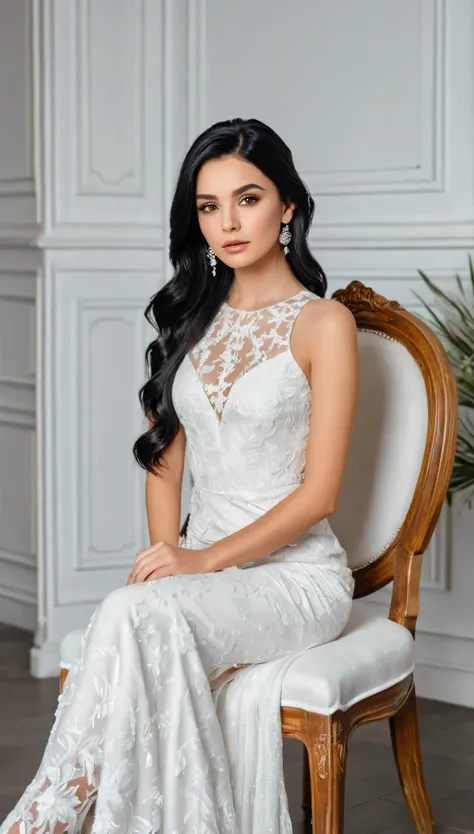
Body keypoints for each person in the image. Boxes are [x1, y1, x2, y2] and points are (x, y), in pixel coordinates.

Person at [1, 117, 358, 834]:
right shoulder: (190, 319)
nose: (227, 223)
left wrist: (200, 560)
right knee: (139, 609)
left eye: (248, 199)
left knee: (129, 614)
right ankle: (55, 816)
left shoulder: (325, 324)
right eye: (208, 206)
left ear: (287, 206)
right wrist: (175, 565)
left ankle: (44, 818)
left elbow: (320, 494)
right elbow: (163, 470)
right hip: (207, 575)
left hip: (298, 579)